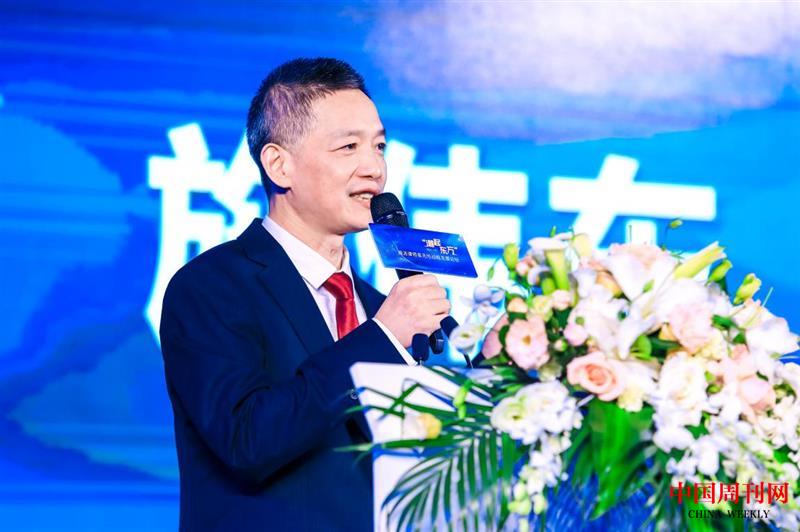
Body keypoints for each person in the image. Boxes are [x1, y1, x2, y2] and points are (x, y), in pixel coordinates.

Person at [159, 57, 451, 531]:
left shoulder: (382, 307)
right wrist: (380, 340)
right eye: (348, 147)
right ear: (279, 165)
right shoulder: (211, 286)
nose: (374, 168)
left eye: (379, 146)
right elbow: (246, 440)